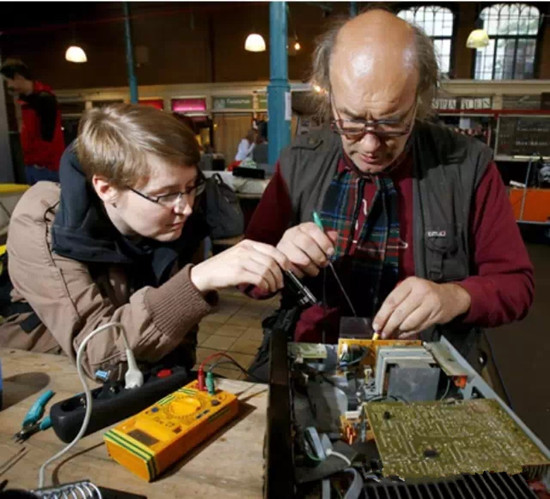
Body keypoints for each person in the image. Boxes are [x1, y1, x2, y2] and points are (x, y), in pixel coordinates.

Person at [244, 8, 534, 390]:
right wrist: (279, 259)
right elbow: (250, 278)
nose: (369, 144)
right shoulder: (300, 162)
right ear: (329, 96)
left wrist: (454, 296)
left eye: (391, 121)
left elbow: (517, 285)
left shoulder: (467, 166)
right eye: (349, 119)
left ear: (420, 96)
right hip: (313, 364)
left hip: (425, 372)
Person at [0, 104, 289, 379]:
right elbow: (99, 354)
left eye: (191, 187)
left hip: (137, 376)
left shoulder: (178, 219)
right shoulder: (45, 220)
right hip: (47, 377)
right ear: (106, 187)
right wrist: (197, 280)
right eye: (166, 194)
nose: (185, 207)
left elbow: (181, 335)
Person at [0, 59, 65, 184]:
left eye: (8, 81)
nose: (8, 86)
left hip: (46, 166)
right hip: (32, 164)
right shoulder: (25, 100)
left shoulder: (44, 99)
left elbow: (48, 136)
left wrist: (40, 163)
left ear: (18, 77)